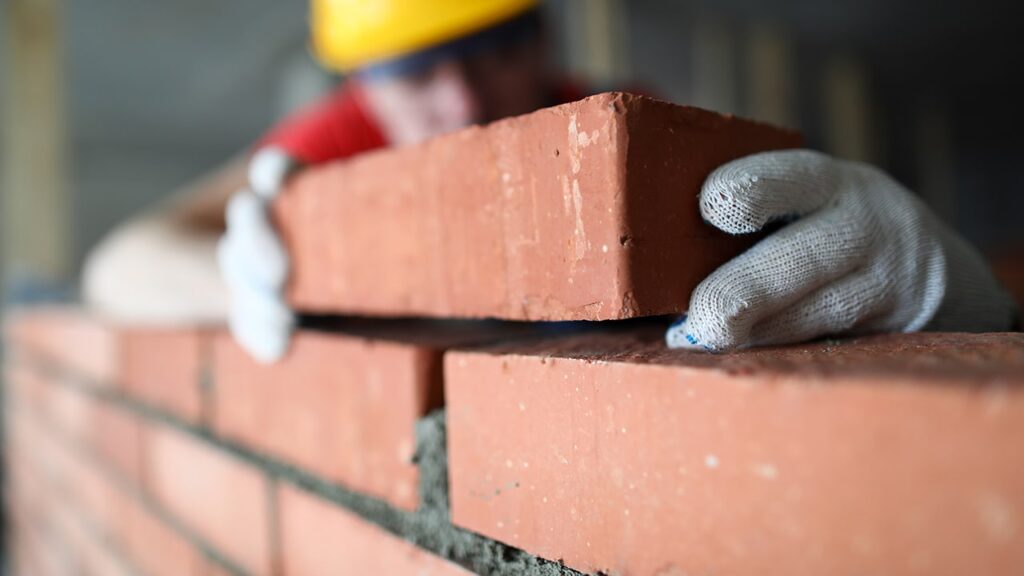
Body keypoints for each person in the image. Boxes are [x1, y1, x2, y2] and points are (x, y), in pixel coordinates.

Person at [83, 0, 1018, 363]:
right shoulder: (344, 139)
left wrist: (945, 298)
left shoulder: (616, 122)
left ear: (540, 37)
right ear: (362, 83)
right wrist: (258, 276)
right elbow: (119, 266)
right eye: (416, 72)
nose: (457, 100)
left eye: (491, 50)